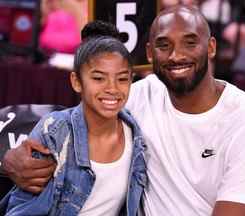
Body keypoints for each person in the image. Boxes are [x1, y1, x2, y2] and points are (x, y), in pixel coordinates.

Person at [1, 5, 245, 216]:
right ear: (149, 54)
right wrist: (7, 160)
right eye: (164, 45)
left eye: (190, 42)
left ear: (210, 47)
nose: (176, 56)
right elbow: (70, 126)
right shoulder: (137, 96)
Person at [0, 20, 147, 216]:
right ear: (76, 82)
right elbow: (22, 209)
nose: (112, 88)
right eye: (98, 78)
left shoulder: (135, 132)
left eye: (122, 79)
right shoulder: (56, 131)